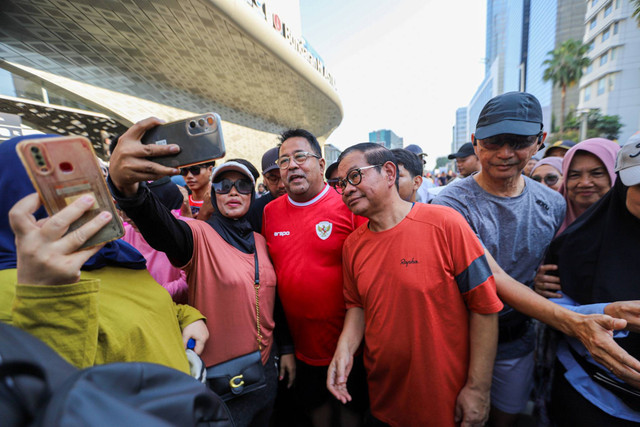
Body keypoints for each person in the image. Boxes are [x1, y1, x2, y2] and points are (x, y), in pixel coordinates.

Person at [108, 118, 278, 427]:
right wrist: (127, 189)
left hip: (267, 370)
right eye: (224, 185)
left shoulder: (261, 241)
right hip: (224, 381)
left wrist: (285, 352)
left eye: (242, 185)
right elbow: (162, 228)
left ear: (253, 194)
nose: (233, 191)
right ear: (214, 193)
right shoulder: (198, 234)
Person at [0, 135, 207, 375]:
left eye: (92, 178)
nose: (97, 196)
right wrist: (46, 296)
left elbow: (147, 307)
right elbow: (48, 394)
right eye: (60, 183)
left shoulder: (113, 253)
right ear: (16, 197)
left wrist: (188, 317)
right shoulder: (21, 291)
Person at [327, 143, 503, 426]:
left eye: (355, 176)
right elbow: (357, 306)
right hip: (383, 396)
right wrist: (344, 350)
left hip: (444, 400)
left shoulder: (445, 224)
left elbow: (485, 307)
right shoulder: (352, 246)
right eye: (341, 183)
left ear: (388, 172)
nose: (346, 189)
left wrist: (478, 389)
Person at [432, 91, 565, 426]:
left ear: (539, 142)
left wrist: (540, 279)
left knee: (505, 418)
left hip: (517, 341)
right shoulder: (450, 205)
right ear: (476, 143)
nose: (505, 154)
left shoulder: (552, 204)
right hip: (457, 342)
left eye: (518, 142)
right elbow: (488, 279)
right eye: (493, 143)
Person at [262, 129, 368, 427]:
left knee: (350, 412)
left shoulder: (349, 207)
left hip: (352, 346)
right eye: (284, 161)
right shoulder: (269, 213)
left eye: (300, 157)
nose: (292, 166)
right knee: (315, 412)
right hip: (301, 349)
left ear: (321, 165)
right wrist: (285, 347)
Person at [544, 137, 640, 425]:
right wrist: (607, 313)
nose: (585, 182)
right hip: (593, 394)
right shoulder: (575, 242)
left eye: (596, 173)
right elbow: (554, 308)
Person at [119, 176, 190, 302]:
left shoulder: (187, 230)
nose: (126, 218)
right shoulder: (125, 234)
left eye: (136, 210)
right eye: (123, 209)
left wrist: (151, 295)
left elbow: (190, 280)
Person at [557, 138, 620, 234]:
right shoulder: (548, 226)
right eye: (574, 175)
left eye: (597, 173)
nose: (584, 183)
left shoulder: (633, 229)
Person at [246, 147, 286, 232]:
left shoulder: (308, 203)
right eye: (273, 179)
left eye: (285, 177)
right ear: (264, 179)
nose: (281, 185)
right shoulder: (255, 209)